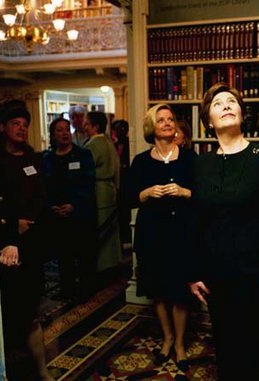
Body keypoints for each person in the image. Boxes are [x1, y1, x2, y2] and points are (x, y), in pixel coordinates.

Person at [188, 83, 259, 381]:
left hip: (251, 274)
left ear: (241, 112)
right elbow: (197, 220)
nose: (226, 105)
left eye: (231, 101)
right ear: (208, 120)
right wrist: (193, 271)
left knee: (250, 354)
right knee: (224, 350)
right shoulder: (201, 164)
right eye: (217, 103)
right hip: (214, 275)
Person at [127, 104, 196, 371]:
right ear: (151, 127)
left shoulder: (190, 158)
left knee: (179, 291)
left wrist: (184, 191)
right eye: (161, 119)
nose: (168, 123)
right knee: (158, 290)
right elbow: (128, 197)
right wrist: (146, 193)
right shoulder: (141, 162)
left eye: (171, 119)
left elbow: (203, 195)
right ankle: (166, 337)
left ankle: (179, 343)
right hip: (152, 234)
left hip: (182, 234)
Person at [0, 99, 54, 381]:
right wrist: (11, 231)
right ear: (2, 126)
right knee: (5, 313)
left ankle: (41, 371)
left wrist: (29, 218)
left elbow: (41, 195)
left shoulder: (33, 158)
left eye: (25, 125)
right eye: (15, 124)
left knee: (31, 312)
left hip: (31, 246)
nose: (22, 129)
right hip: (2, 248)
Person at [42, 117, 97, 303]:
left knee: (84, 254)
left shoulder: (83, 155)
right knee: (63, 254)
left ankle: (86, 290)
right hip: (57, 215)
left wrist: (74, 205)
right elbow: (44, 186)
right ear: (53, 134)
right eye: (60, 130)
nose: (65, 133)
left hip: (80, 214)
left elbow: (88, 185)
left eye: (67, 129)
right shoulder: (47, 159)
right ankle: (66, 289)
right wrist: (51, 205)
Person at [83, 111, 122, 275]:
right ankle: (111, 266)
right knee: (111, 233)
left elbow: (86, 170)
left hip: (98, 191)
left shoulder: (93, 144)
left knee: (101, 232)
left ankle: (101, 268)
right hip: (110, 190)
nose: (84, 127)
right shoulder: (108, 141)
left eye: (87, 124)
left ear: (95, 126)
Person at [111, 119, 132, 247]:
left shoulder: (130, 144)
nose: (121, 131)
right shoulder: (113, 145)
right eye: (118, 129)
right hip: (117, 181)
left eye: (123, 129)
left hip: (126, 180)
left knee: (126, 211)